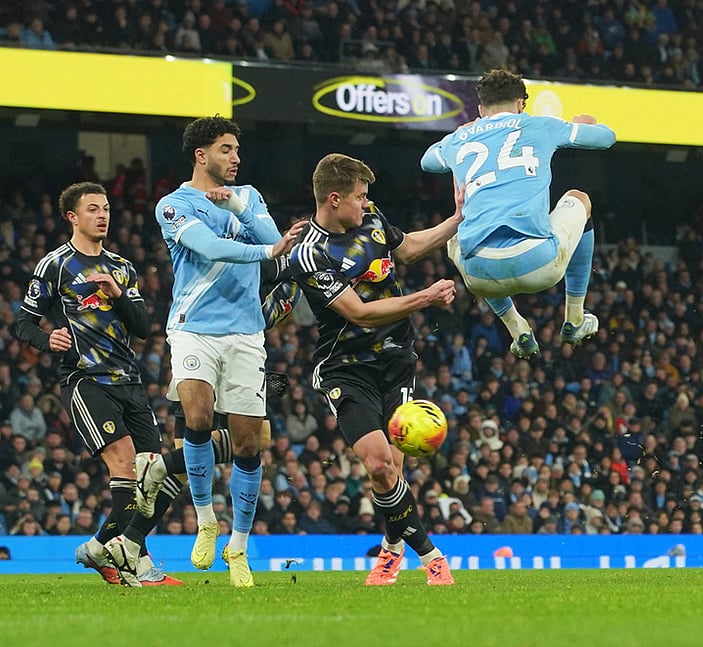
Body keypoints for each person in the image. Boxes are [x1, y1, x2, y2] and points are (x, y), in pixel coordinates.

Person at [269, 152, 462, 585]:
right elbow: (358, 311)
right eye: (359, 197)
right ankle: (433, 557)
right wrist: (424, 298)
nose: (366, 202)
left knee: (392, 467)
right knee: (378, 465)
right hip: (346, 367)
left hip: (396, 360)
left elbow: (407, 247)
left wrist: (457, 219)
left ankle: (391, 551)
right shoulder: (308, 254)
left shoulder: (372, 218)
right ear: (334, 199)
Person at [142, 115, 304, 587]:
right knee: (196, 413)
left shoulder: (248, 196)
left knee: (248, 442)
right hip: (194, 327)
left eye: (237, 150)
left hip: (246, 333)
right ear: (202, 155)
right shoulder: (173, 205)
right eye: (227, 149)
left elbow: (273, 235)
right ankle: (205, 518)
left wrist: (237, 203)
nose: (237, 158)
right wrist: (266, 253)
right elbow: (212, 247)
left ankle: (238, 547)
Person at [13, 182, 181, 586]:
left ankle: (112, 552)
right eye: (92, 209)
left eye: (105, 208)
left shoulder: (121, 267)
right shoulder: (55, 265)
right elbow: (22, 323)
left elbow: (142, 328)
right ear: (72, 217)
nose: (102, 215)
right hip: (86, 379)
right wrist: (45, 338)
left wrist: (118, 294)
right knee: (124, 463)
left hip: (130, 380)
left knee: (154, 474)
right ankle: (124, 560)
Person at [420, 68, 616, 359]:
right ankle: (574, 318)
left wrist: (460, 134)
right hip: (539, 262)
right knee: (580, 198)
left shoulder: (458, 140)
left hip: (479, 275)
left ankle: (517, 329)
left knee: (455, 237)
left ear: (481, 109)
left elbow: (428, 162)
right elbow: (606, 138)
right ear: (521, 104)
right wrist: (583, 124)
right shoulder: (539, 125)